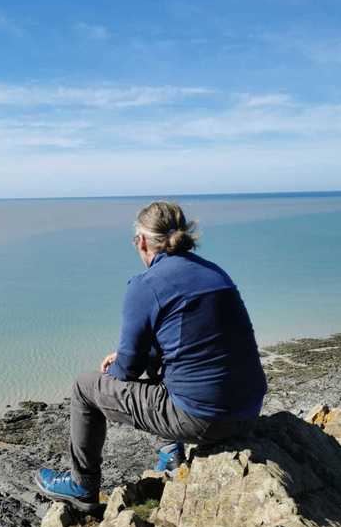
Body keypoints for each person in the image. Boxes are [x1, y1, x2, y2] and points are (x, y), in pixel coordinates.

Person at [36, 201, 267, 511]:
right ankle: (171, 452)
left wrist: (119, 363)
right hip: (248, 411)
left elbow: (126, 372)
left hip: (204, 420)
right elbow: (190, 340)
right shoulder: (215, 273)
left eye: (135, 240)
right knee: (164, 359)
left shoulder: (146, 285)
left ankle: (82, 486)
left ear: (142, 241)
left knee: (84, 386)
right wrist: (132, 356)